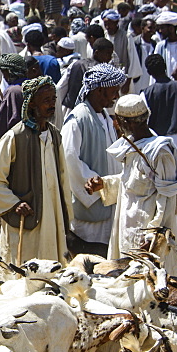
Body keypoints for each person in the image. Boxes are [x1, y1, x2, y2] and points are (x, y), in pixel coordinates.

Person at [85, 95, 177, 267]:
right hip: (127, 225)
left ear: (126, 123)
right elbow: (131, 183)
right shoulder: (132, 146)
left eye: (116, 120)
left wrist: (154, 236)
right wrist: (104, 184)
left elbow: (167, 199)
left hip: (147, 235)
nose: (115, 124)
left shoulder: (159, 152)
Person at [0, 76, 71, 264]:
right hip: (27, 218)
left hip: (52, 215)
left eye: (53, 99)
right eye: (46, 100)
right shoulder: (15, 137)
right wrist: (14, 203)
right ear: (31, 104)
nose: (52, 104)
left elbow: (63, 177)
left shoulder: (54, 135)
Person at [62, 63, 125, 249]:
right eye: (114, 91)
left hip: (109, 203)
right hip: (90, 205)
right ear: (99, 90)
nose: (116, 96)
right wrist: (97, 186)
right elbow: (69, 159)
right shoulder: (78, 119)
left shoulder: (105, 116)